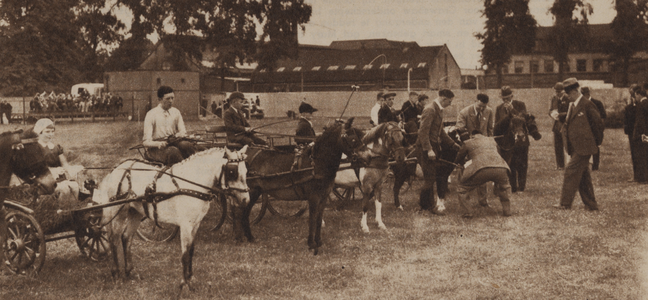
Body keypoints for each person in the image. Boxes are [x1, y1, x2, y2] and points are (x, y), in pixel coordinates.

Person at [554, 78, 604, 211]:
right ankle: (591, 204)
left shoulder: (587, 104)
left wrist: (596, 143)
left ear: (576, 91)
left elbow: (598, 124)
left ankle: (565, 203)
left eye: (569, 94)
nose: (567, 96)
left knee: (570, 171)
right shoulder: (573, 105)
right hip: (576, 147)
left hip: (585, 147)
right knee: (583, 175)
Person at [416, 89, 461, 214]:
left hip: (433, 147)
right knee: (430, 178)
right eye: (449, 101)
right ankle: (425, 207)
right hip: (425, 148)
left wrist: (453, 144)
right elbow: (423, 132)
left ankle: (426, 206)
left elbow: (440, 131)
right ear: (443, 98)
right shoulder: (430, 109)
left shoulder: (439, 109)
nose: (450, 104)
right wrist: (429, 150)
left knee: (432, 177)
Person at [454, 130, 512, 218]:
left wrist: (457, 163)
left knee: (462, 189)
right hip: (501, 167)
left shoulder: (468, 142)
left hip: (481, 169)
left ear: (472, 136)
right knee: (504, 188)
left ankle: (468, 212)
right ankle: (507, 211)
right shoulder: (492, 140)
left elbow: (459, 158)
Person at [494, 86, 541, 193]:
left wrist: (512, 110)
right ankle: (513, 187)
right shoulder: (499, 108)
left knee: (522, 164)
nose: (505, 100)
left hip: (521, 140)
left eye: (507, 98)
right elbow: (497, 125)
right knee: (510, 164)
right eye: (503, 98)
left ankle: (521, 187)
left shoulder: (520, 104)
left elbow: (523, 119)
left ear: (512, 96)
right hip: (507, 142)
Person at [32, 118, 88, 206]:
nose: (50, 134)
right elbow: (36, 168)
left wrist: (74, 168)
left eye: (52, 131)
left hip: (59, 178)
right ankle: (60, 213)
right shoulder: (35, 148)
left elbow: (64, 164)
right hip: (43, 179)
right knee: (64, 189)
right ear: (39, 132)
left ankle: (72, 211)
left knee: (75, 187)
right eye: (47, 132)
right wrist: (54, 170)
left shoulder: (55, 147)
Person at [143, 86, 204, 166]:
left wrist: (178, 135)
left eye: (172, 98)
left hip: (172, 143)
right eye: (168, 99)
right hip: (156, 149)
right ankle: (184, 171)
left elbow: (182, 131)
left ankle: (194, 167)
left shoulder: (176, 112)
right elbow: (145, 142)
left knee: (187, 145)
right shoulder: (151, 114)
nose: (171, 101)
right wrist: (158, 144)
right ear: (160, 100)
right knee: (173, 152)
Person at [456, 93, 494, 206]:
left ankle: (483, 200)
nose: (482, 109)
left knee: (483, 170)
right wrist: (469, 144)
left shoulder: (489, 111)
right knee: (465, 172)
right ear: (475, 101)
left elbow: (490, 129)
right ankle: (463, 200)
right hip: (468, 145)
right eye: (480, 106)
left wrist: (490, 143)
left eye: (484, 107)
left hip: (483, 146)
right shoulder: (464, 112)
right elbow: (460, 128)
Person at [581, 87, 606, 171]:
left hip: (595, 128)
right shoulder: (581, 104)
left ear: (587, 94)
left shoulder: (597, 103)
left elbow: (602, 117)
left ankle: (595, 166)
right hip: (585, 128)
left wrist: (600, 129)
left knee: (595, 147)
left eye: (583, 94)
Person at [549, 82, 570, 170]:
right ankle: (560, 165)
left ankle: (568, 164)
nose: (557, 93)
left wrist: (560, 115)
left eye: (559, 92)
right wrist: (552, 114)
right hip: (556, 125)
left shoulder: (568, 98)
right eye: (556, 92)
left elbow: (570, 111)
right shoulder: (554, 98)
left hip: (565, 124)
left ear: (563, 91)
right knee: (557, 146)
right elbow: (550, 110)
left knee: (566, 145)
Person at [625, 84, 641, 182]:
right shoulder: (629, 106)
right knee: (634, 154)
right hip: (632, 132)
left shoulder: (641, 105)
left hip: (639, 132)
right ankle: (636, 175)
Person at [633, 85, 648, 183]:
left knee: (643, 155)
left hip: (643, 134)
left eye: (635, 96)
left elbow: (641, 121)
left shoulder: (641, 105)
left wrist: (643, 134)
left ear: (638, 94)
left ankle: (644, 178)